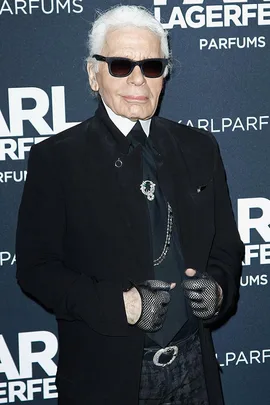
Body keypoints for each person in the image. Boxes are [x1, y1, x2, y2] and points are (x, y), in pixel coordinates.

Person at [16, 5, 244, 405]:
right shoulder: (57, 159)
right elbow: (36, 270)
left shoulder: (199, 147)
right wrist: (121, 304)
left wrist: (218, 289)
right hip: (105, 378)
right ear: (93, 74)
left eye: (152, 66)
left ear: (164, 76)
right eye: (121, 65)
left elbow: (226, 246)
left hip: (195, 367)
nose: (138, 79)